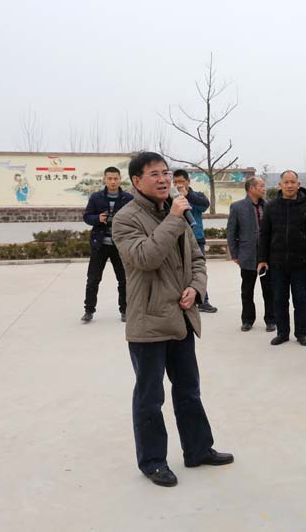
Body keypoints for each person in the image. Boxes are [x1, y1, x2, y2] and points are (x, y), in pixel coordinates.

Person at [112, 151, 232, 488]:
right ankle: (153, 462)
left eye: (165, 172)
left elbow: (197, 259)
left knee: (189, 390)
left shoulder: (175, 212)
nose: (164, 179)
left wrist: (196, 289)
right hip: (149, 322)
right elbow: (145, 258)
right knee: (150, 398)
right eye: (154, 174)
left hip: (181, 318)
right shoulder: (125, 219)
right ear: (137, 181)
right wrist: (174, 219)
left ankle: (198, 449)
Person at [257, 170, 306, 346]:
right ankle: (282, 333)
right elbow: (264, 234)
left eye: (293, 182)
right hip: (277, 263)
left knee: (301, 300)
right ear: (280, 185)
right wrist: (262, 258)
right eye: (286, 182)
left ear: (298, 184)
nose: (289, 185)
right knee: (279, 300)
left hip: (300, 263)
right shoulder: (271, 207)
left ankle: (301, 333)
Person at [81, 166, 133, 323]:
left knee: (124, 280)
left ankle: (125, 310)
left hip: (120, 245)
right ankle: (89, 311)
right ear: (104, 179)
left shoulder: (128, 198)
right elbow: (87, 217)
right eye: (109, 178)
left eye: (115, 178)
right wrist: (98, 219)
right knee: (93, 279)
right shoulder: (96, 197)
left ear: (120, 179)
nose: (113, 181)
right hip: (100, 244)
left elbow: (134, 219)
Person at [227, 176, 275, 332]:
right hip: (247, 255)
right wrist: (235, 254)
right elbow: (231, 232)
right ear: (252, 188)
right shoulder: (237, 207)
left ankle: (271, 320)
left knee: (269, 290)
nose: (264, 188)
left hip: (267, 256)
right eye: (261, 185)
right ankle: (247, 320)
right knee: (247, 290)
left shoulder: (269, 206)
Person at [172, 169, 218, 313]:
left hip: (196, 239)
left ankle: (203, 300)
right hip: (176, 239)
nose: (178, 185)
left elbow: (204, 205)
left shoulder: (197, 196)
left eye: (181, 181)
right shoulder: (171, 197)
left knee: (199, 269)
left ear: (188, 181)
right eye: (175, 182)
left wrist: (187, 195)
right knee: (178, 270)